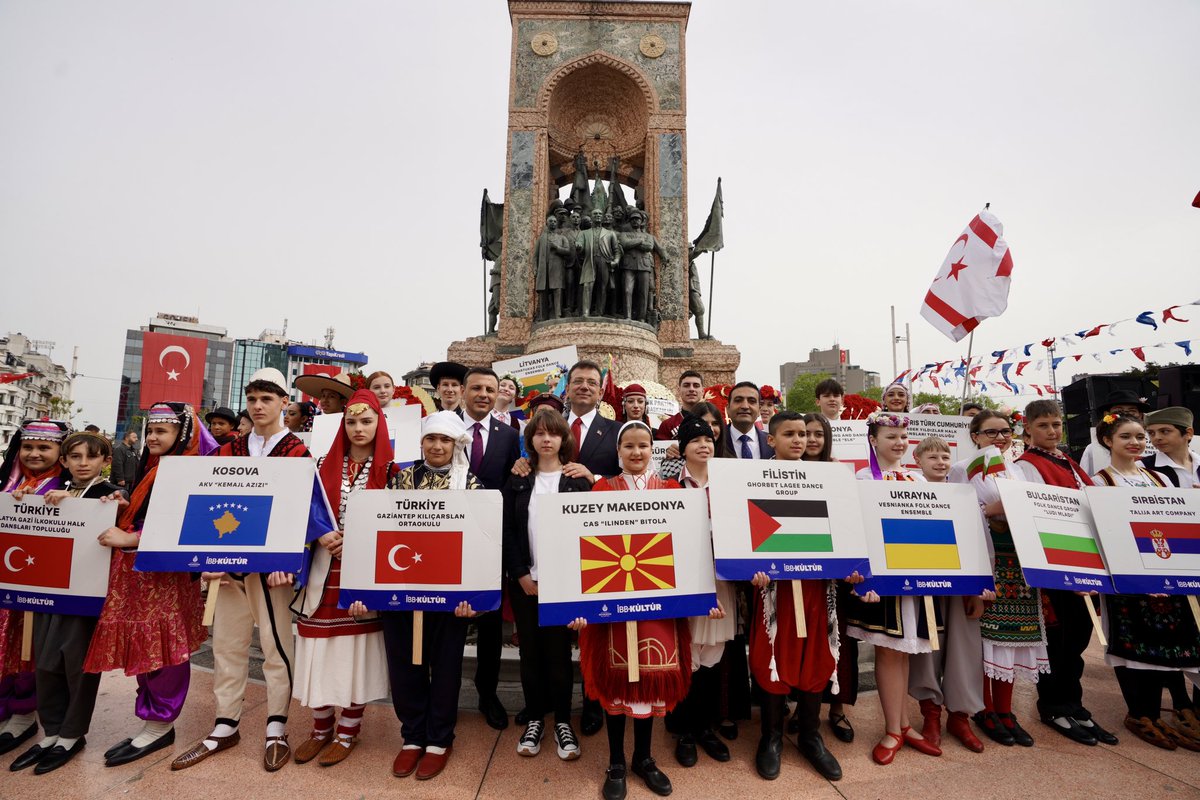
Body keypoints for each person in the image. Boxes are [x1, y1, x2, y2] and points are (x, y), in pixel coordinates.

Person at [172, 368, 332, 773]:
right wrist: (207, 561)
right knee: (227, 645)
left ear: (283, 403)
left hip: (272, 571)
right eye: (253, 399)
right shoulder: (225, 451)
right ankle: (225, 724)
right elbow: (205, 506)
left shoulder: (298, 453)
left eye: (267, 399)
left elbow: (309, 514)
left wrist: (289, 562)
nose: (258, 406)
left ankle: (276, 724)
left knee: (277, 648)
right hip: (228, 572)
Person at [570, 421, 710, 800]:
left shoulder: (670, 491)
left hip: (658, 606)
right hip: (612, 606)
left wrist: (702, 596)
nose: (636, 452)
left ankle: (644, 759)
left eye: (643, 445)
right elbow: (583, 545)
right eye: (628, 446)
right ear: (618, 452)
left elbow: (690, 547)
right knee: (617, 684)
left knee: (649, 681)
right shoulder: (601, 489)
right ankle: (616, 760)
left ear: (653, 449)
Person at [83, 404, 214, 767]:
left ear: (182, 436)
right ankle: (153, 720)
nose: (153, 437)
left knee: (166, 649)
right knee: (146, 645)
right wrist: (124, 508)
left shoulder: (187, 473)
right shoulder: (154, 468)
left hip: (165, 578)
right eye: (150, 431)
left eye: (162, 431)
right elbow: (150, 514)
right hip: (140, 577)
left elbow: (189, 526)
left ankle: (160, 724)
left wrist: (131, 538)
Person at [7, 431, 123, 773]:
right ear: (65, 460)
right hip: (48, 590)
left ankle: (72, 734)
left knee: (77, 665)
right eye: (75, 456)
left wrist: (117, 503)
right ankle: (51, 731)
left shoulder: (108, 494)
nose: (82, 463)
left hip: (85, 596)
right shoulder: (53, 492)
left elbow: (121, 519)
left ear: (105, 461)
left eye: (91, 457)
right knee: (44, 661)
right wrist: (23, 500)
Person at [291, 390, 395, 768]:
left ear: (379, 424)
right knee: (317, 652)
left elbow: (399, 525)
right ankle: (320, 729)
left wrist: (362, 540)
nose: (358, 428)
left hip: (365, 574)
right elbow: (303, 507)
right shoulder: (321, 465)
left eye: (366, 421)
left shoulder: (394, 472)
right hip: (323, 571)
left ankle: (348, 732)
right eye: (351, 421)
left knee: (355, 656)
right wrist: (321, 533)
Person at [1008, 399, 1118, 746]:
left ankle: (1076, 705)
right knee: (1059, 638)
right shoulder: (1025, 466)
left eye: (1056, 424)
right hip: (1055, 561)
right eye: (1043, 425)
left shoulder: (1068, 462)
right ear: (1027, 428)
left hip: (1084, 560)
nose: (1052, 431)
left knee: (1079, 637)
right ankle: (1054, 706)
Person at [1090, 413, 1200, 750]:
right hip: (1127, 576)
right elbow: (1096, 531)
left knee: (1170, 639)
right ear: (1108, 440)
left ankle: (1174, 709)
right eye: (1126, 437)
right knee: (1133, 643)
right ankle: (1141, 712)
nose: (1136, 443)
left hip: (1165, 571)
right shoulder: (1098, 482)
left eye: (1140, 436)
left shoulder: (1160, 479)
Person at [384, 411, 483, 782]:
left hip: (450, 596)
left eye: (445, 441)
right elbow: (385, 530)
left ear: (456, 445)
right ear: (422, 442)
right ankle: (412, 736)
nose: (437, 446)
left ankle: (439, 739)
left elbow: (479, 540)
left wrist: (472, 593)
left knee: (445, 668)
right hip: (403, 590)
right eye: (431, 439)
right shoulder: (401, 479)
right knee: (404, 665)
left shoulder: (469, 483)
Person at [749, 410, 847, 782]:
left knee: (815, 655)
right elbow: (742, 529)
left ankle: (810, 735)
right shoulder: (752, 478)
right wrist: (749, 569)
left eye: (803, 434)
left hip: (816, 588)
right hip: (773, 591)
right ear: (770, 440)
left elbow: (843, 528)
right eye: (789, 433)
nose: (799, 440)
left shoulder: (828, 478)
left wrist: (850, 565)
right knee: (771, 655)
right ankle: (771, 737)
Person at [845, 412, 943, 766]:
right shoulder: (861, 478)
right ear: (873, 440)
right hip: (882, 579)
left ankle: (903, 724)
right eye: (891, 437)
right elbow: (856, 532)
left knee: (905, 651)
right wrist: (864, 578)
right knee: (889, 651)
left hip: (914, 576)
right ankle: (892, 728)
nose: (899, 443)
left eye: (903, 437)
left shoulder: (917, 479)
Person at [949, 410, 1044, 748]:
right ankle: (985, 709)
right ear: (975, 436)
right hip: (986, 561)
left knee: (1013, 640)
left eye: (1005, 431)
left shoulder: (1020, 470)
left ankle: (1006, 710)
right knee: (985, 641)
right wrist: (992, 509)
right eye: (991, 433)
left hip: (1017, 564)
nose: (1000, 438)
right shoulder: (962, 469)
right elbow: (957, 518)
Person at [502, 410, 590, 761]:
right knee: (530, 653)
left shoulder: (576, 481)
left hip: (563, 583)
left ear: (563, 438)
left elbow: (588, 534)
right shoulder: (519, 479)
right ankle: (535, 717)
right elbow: (507, 530)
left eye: (553, 433)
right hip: (526, 581)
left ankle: (564, 721)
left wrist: (572, 582)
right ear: (531, 440)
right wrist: (520, 572)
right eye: (539, 434)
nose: (546, 439)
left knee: (558, 654)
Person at [908, 437, 990, 755]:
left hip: (963, 586)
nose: (941, 462)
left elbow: (980, 541)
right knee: (928, 651)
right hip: (926, 585)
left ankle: (960, 717)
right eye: (932, 457)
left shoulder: (965, 495)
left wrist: (981, 589)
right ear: (917, 459)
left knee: (964, 652)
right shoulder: (908, 496)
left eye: (945, 456)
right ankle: (930, 716)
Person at [0, 419, 70, 757]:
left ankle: (24, 715)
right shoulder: (9, 483)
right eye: (28, 447)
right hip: (5, 586)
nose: (34, 453)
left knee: (27, 649)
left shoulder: (66, 488)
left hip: (40, 589)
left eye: (44, 448)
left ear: (60, 451)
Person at [458, 367, 522, 731]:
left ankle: (487, 692)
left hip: (490, 542)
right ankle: (445, 688)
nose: (483, 394)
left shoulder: (510, 436)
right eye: (477, 388)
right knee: (447, 617)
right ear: (463, 391)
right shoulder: (443, 427)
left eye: (490, 389)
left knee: (489, 623)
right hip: (446, 539)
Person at [670, 414, 735, 768]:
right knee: (687, 653)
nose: (704, 444)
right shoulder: (671, 487)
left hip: (721, 578)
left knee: (713, 652)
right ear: (684, 449)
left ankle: (705, 727)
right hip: (685, 580)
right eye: (696, 440)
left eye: (709, 438)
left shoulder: (729, 484)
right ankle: (683, 730)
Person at [799, 412, 858, 745]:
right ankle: (802, 710)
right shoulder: (780, 472)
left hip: (833, 574)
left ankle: (836, 708)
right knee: (802, 642)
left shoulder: (838, 473)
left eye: (818, 434)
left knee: (837, 641)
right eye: (805, 434)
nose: (811, 440)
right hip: (798, 574)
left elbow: (848, 519)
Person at [1079, 390, 1151, 475]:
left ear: (1140, 415)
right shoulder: (1092, 450)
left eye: (1132, 411)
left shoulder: (1156, 445)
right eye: (1118, 411)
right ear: (1107, 415)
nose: (1125, 415)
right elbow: (1084, 480)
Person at [1143, 407, 1200, 488]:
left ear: (1188, 433)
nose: (1157, 437)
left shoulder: (1198, 462)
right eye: (1151, 433)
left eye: (1165, 431)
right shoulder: (1142, 467)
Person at [726, 382, 773, 459]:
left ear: (759, 410)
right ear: (728, 409)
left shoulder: (773, 443)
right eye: (738, 400)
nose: (745, 406)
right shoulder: (716, 440)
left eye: (752, 401)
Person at [655, 371, 704, 441]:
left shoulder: (711, 421)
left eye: (696, 386)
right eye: (686, 385)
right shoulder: (667, 425)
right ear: (679, 390)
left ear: (702, 391)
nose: (691, 389)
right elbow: (661, 449)